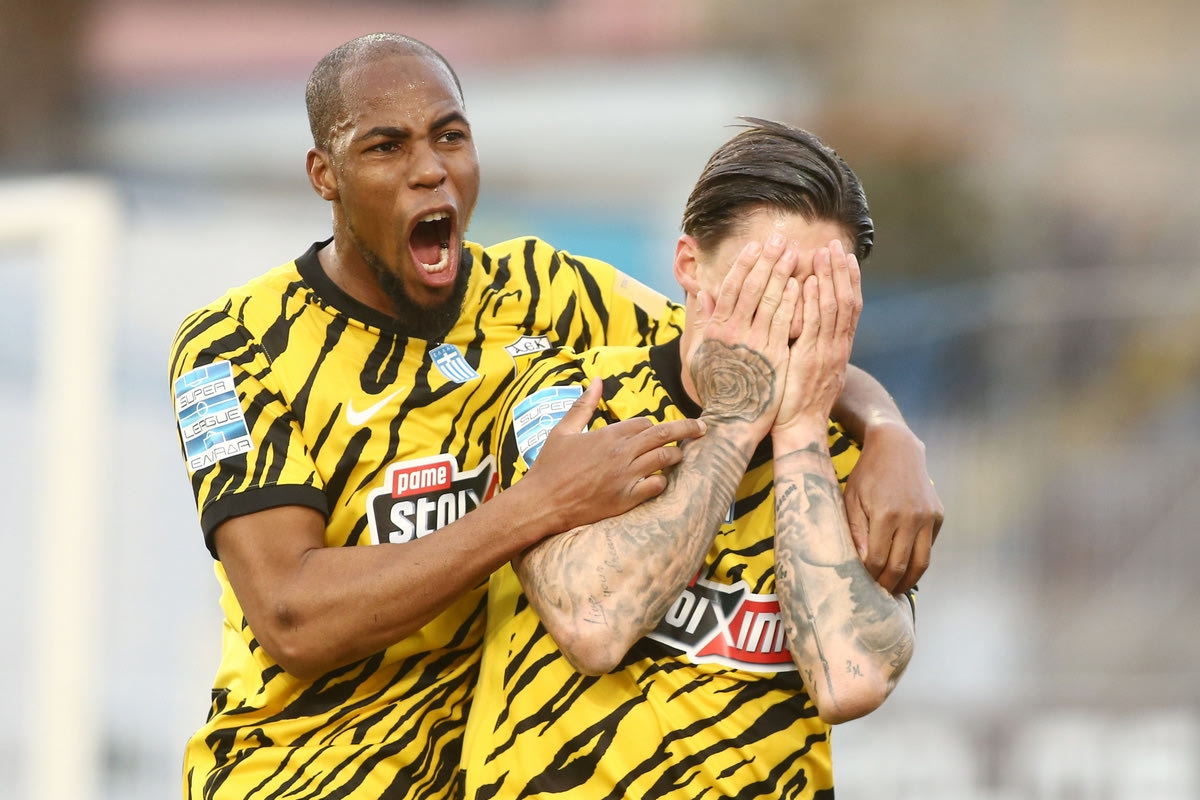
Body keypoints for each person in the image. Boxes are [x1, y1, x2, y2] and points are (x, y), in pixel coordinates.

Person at [168, 32, 940, 799]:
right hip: (295, 776)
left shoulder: (547, 292)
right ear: (324, 174)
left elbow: (744, 344)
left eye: (450, 137)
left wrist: (888, 433)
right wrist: (537, 506)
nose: (429, 169)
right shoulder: (236, 343)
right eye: (386, 147)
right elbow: (293, 617)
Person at [463, 119, 916, 799]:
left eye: (816, 293)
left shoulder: (857, 458)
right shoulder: (574, 399)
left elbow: (850, 682)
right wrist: (735, 423)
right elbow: (593, 627)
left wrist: (802, 431)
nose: (786, 317)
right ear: (688, 266)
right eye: (762, 282)